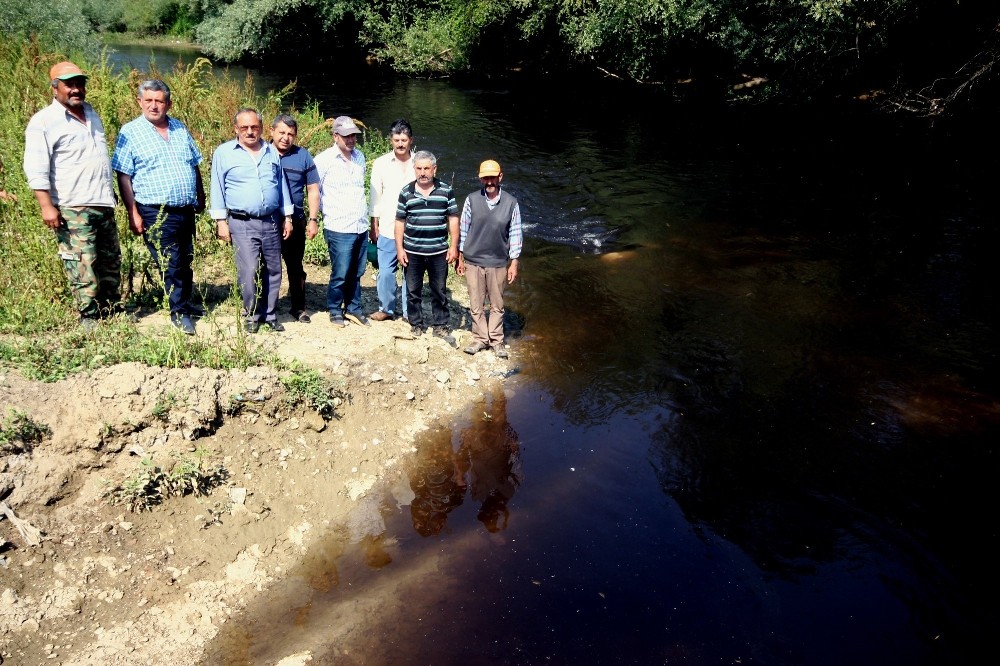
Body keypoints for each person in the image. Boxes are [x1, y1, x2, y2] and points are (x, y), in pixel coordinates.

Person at [23, 61, 122, 331]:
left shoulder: (92, 114)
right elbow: (35, 166)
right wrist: (46, 205)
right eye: (69, 84)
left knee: (110, 259)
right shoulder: (44, 121)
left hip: (101, 201)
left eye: (79, 83)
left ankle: (112, 309)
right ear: (55, 88)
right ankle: (88, 315)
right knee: (82, 262)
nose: (76, 89)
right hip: (71, 205)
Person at [111, 79, 205, 336]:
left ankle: (186, 303)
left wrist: (201, 196)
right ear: (140, 101)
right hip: (154, 210)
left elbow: (194, 165)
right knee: (170, 262)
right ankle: (178, 313)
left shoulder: (179, 128)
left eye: (159, 101)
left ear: (168, 103)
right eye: (149, 100)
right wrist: (133, 212)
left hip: (185, 209)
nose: (154, 106)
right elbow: (124, 175)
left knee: (185, 259)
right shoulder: (130, 132)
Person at [209, 108, 293, 333]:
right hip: (242, 222)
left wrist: (287, 216)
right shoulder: (224, 153)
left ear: (262, 129)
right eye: (244, 127)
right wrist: (220, 221)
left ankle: (271, 314)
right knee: (249, 270)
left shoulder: (270, 151)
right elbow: (216, 187)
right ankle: (252, 314)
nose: (249, 131)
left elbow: (281, 185)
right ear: (236, 128)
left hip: (272, 220)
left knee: (274, 269)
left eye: (254, 127)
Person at [456, 159, 523, 359]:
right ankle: (479, 339)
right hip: (473, 259)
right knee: (476, 303)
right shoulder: (471, 199)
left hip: (498, 261)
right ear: (480, 178)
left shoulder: (511, 203)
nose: (489, 181)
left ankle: (496, 340)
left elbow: (516, 234)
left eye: (492, 177)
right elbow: (463, 228)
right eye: (486, 178)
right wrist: (460, 256)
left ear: (500, 177)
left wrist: (514, 262)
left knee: (497, 304)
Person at [395, 150, 459, 346]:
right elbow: (399, 222)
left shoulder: (446, 190)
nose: (422, 172)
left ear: (434, 169)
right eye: (419, 168)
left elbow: (453, 220)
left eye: (426, 168)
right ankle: (416, 323)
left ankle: (440, 324)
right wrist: (400, 249)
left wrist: (453, 246)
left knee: (439, 289)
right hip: (413, 251)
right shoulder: (406, 192)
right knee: (413, 290)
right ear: (414, 169)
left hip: (439, 251)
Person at [313, 116, 370, 328]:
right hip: (338, 226)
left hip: (359, 225)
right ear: (335, 136)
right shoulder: (323, 160)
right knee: (340, 272)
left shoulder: (360, 157)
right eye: (346, 135)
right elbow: (314, 191)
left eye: (354, 135)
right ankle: (335, 309)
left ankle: (354, 308)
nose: (351, 139)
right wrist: (317, 217)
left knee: (357, 271)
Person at [271, 114, 321, 323]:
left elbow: (312, 189)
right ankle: (267, 306)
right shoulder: (262, 152)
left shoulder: (303, 156)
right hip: (268, 220)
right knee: (268, 265)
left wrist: (313, 219)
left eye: (290, 134)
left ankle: (298, 307)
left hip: (297, 220)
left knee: (294, 264)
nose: (285, 138)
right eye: (281, 132)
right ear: (271, 131)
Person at [368, 118, 415, 322]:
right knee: (386, 272)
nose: (400, 144)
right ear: (391, 140)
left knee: (410, 273)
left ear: (410, 140)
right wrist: (374, 223)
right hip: (387, 225)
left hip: (414, 228)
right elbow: (374, 196)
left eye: (404, 139)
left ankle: (407, 312)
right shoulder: (381, 163)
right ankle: (386, 308)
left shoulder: (419, 163)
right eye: (396, 139)